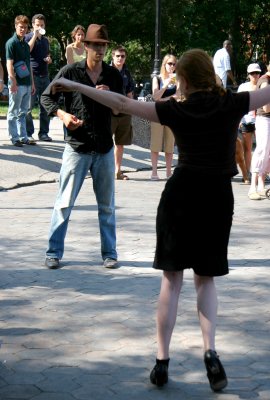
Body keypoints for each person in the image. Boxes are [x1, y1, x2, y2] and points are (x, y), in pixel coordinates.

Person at [49, 48, 270, 392]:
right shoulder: (232, 104)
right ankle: (210, 352)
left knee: (171, 281)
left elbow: (120, 105)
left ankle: (162, 362)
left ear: (182, 78)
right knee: (206, 279)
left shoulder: (174, 109)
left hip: (180, 196)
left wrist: (72, 85)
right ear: (209, 74)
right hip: (216, 198)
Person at [40, 24, 123, 270]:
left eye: (103, 46)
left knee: (107, 206)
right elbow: (46, 97)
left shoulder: (113, 75)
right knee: (64, 203)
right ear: (85, 46)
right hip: (77, 148)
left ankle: (109, 253)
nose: (99, 50)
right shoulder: (70, 72)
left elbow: (122, 108)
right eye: (95, 45)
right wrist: (62, 115)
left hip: (105, 148)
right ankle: (53, 252)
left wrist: (111, 98)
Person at [6, 15, 35, 147]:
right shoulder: (11, 43)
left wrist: (32, 83)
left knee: (23, 112)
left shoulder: (25, 44)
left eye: (25, 27)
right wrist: (13, 82)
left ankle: (23, 137)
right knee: (13, 112)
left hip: (27, 83)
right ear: (16, 26)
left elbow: (29, 65)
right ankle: (14, 138)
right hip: (17, 84)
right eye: (20, 27)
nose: (23, 29)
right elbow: (9, 64)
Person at [25, 13, 52, 143]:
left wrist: (49, 59)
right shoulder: (28, 37)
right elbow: (27, 51)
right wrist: (35, 35)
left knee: (46, 106)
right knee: (29, 107)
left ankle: (44, 133)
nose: (39, 27)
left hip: (45, 76)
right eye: (37, 25)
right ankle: (28, 133)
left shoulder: (46, 40)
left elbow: (46, 55)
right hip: (32, 76)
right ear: (32, 25)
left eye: (41, 25)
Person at [150, 54, 177, 180]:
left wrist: (166, 99)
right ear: (164, 65)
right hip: (158, 114)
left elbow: (180, 96)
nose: (172, 66)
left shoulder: (178, 80)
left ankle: (168, 172)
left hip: (172, 114)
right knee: (155, 143)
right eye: (169, 64)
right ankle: (154, 172)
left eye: (174, 64)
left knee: (169, 145)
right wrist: (166, 84)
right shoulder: (157, 79)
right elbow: (155, 97)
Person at [110, 45, 134, 180]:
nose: (120, 58)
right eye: (117, 56)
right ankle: (106, 170)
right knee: (106, 143)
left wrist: (131, 108)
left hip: (124, 112)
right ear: (113, 56)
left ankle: (117, 171)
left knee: (120, 143)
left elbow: (130, 92)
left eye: (122, 56)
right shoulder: (106, 70)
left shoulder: (127, 72)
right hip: (109, 112)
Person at [248, 62, 270, 200]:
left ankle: (261, 185)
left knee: (267, 153)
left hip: (267, 120)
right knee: (262, 150)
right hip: (264, 120)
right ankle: (252, 187)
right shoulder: (265, 81)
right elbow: (266, 108)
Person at [237, 63, 261, 184]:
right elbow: (238, 105)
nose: (255, 75)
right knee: (248, 148)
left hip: (261, 120)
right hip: (247, 120)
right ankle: (247, 173)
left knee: (262, 148)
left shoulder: (264, 85)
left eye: (257, 73)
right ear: (248, 74)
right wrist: (239, 121)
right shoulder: (243, 87)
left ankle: (260, 173)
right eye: (252, 73)